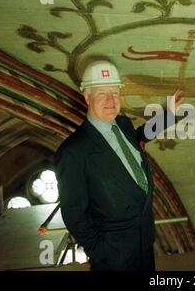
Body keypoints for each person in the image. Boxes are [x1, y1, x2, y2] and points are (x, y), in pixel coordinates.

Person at [55, 60, 183, 271]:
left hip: (143, 240)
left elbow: (138, 138)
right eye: (102, 93)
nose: (110, 100)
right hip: (113, 256)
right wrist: (100, 250)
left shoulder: (122, 124)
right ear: (87, 96)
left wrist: (167, 116)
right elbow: (74, 214)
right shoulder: (72, 152)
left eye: (115, 92)